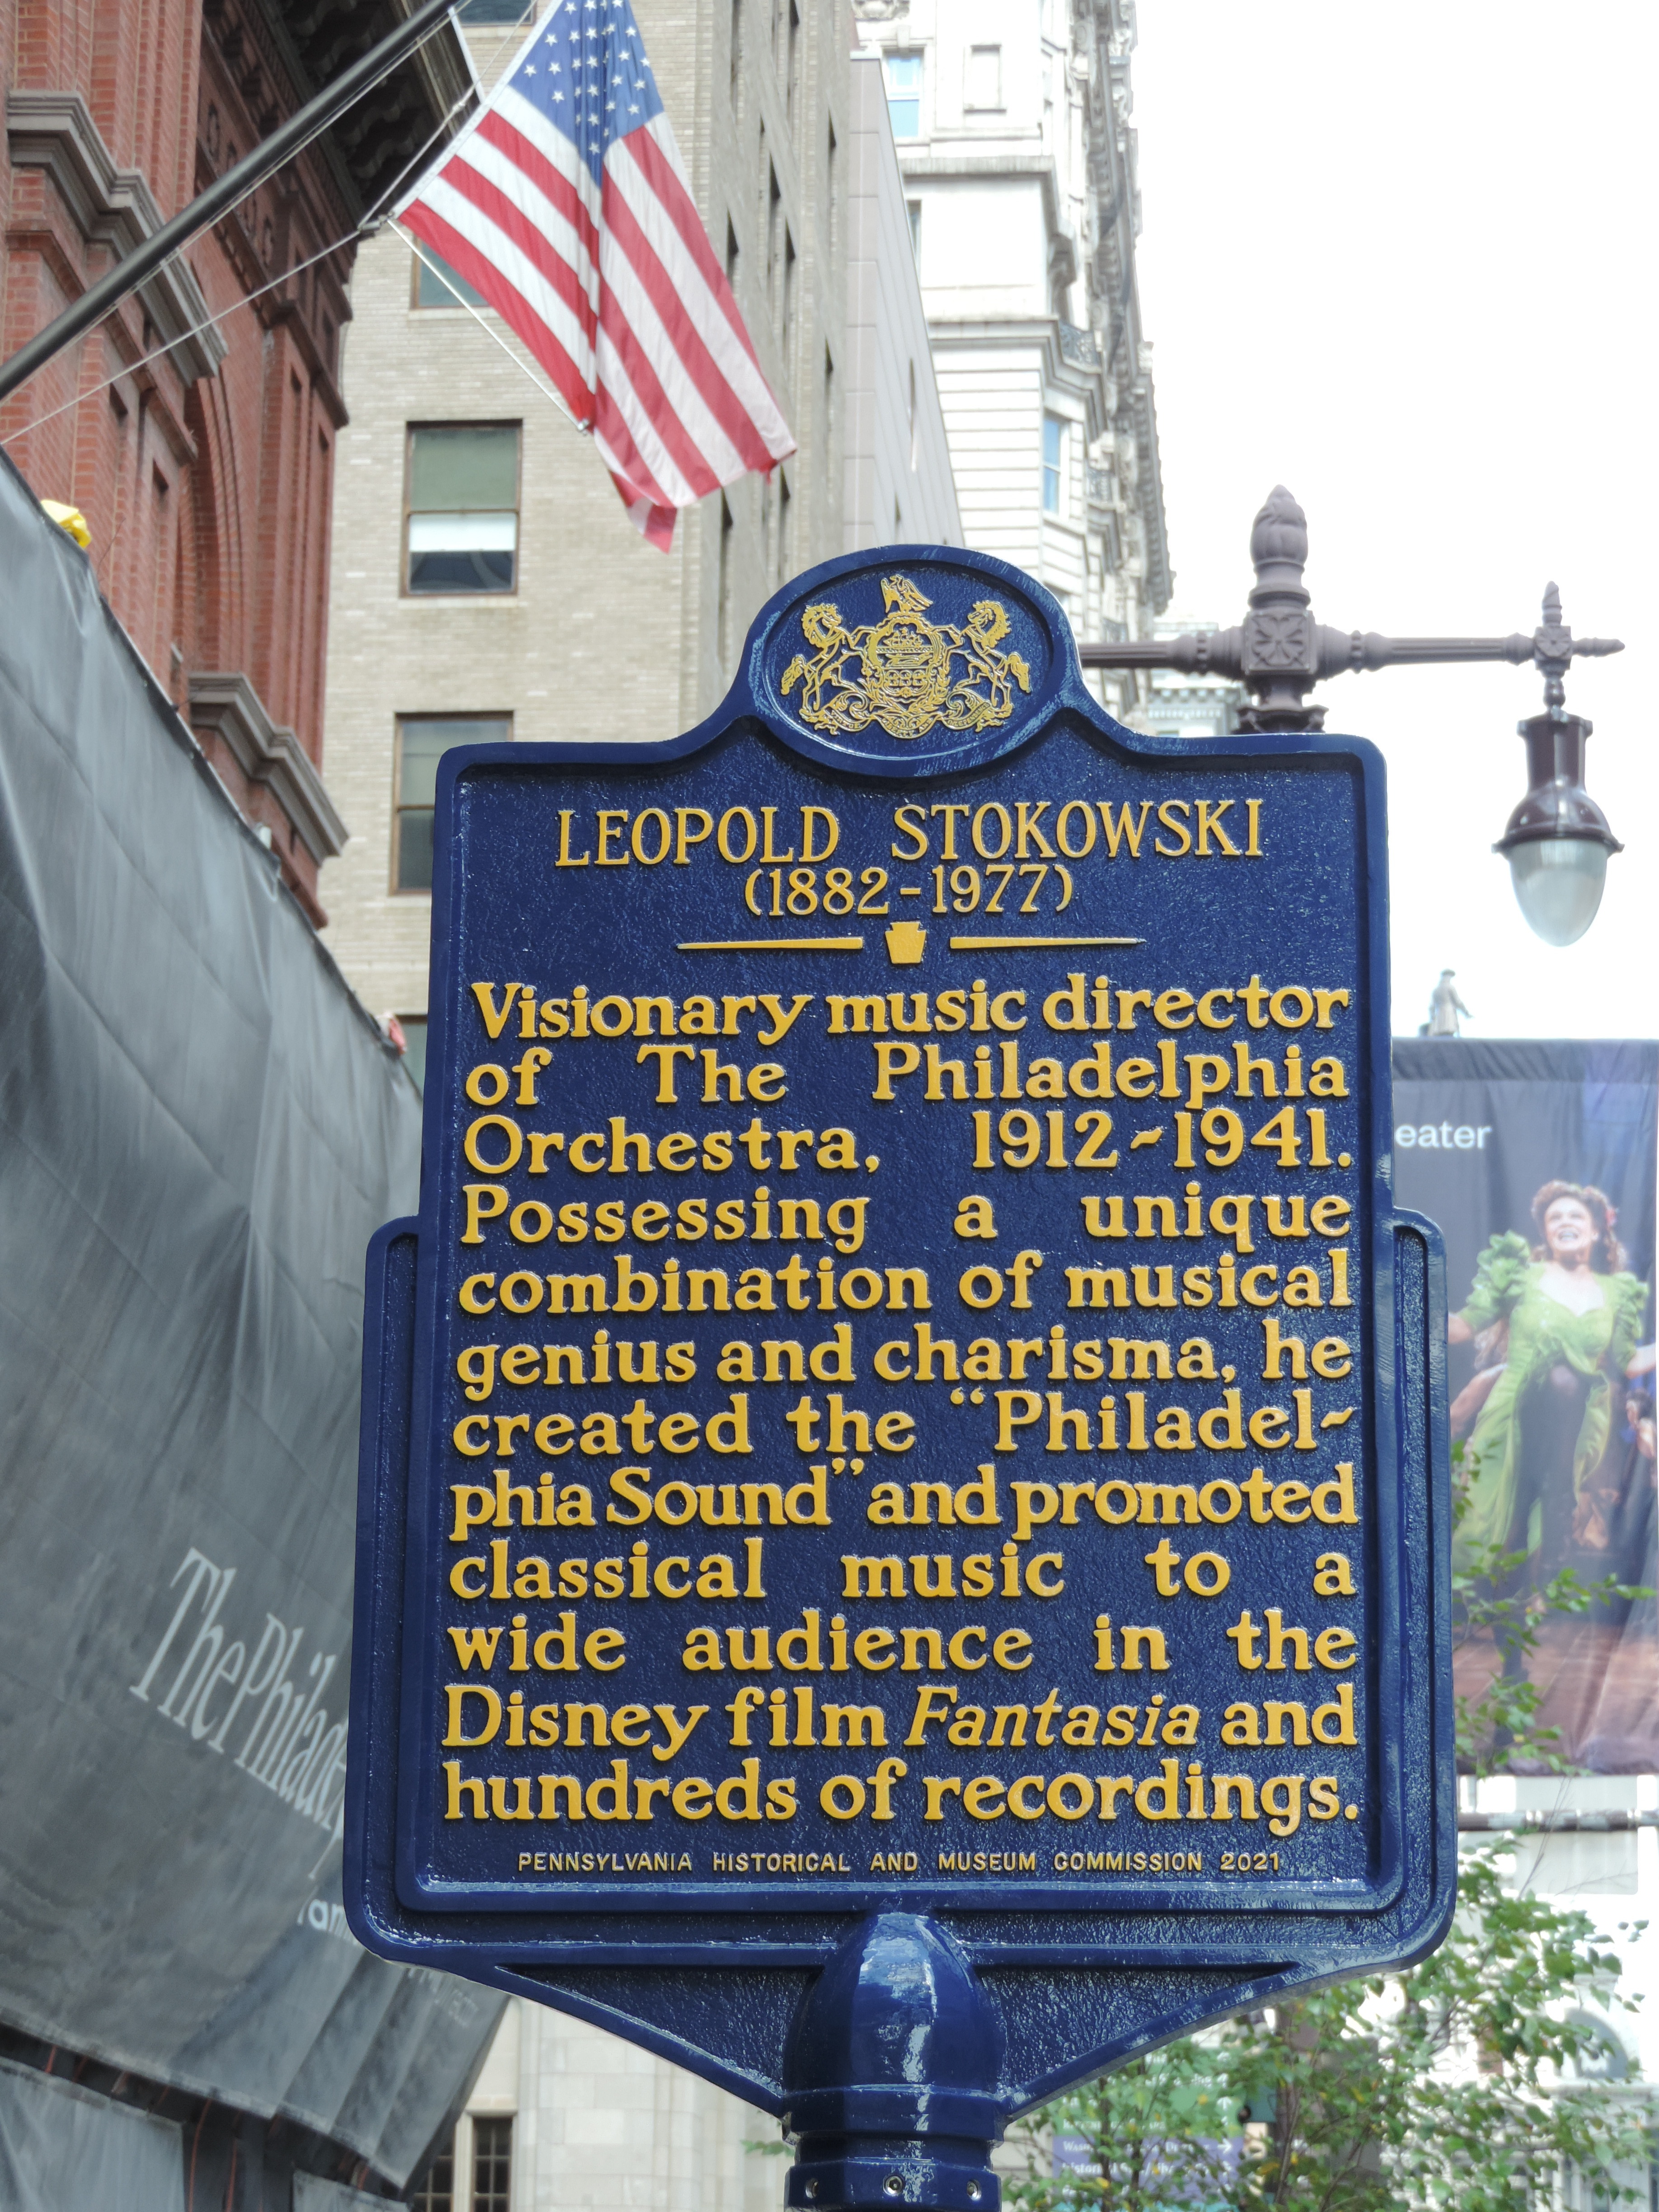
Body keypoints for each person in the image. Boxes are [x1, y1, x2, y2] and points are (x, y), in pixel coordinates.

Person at [1449, 1181, 1648, 1571]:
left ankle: (1550, 1526)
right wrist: (1398, 1298)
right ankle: (1549, 1527)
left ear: (1595, 1230)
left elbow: (1627, 1361)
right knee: (1511, 1515)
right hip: (1516, 1407)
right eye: (1555, 1217)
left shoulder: (1615, 1292)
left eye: (1575, 1215)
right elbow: (1463, 1327)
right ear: (1546, 1232)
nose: (1564, 1222)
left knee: (1567, 1381)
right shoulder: (1522, 1276)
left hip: (1577, 1418)